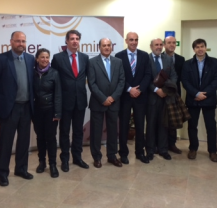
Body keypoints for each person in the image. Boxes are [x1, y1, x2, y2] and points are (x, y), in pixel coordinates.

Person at [0, 31, 35, 186]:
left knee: (24, 142)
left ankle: (21, 169)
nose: (21, 44)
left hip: (26, 108)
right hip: (9, 109)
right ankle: (3, 172)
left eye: (23, 41)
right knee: (6, 143)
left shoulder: (31, 59)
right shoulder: (1, 59)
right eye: (18, 41)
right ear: (11, 42)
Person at [51, 30, 89, 172]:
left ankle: (77, 157)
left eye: (77, 38)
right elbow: (53, 81)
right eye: (72, 38)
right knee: (65, 131)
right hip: (65, 102)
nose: (75, 41)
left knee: (78, 131)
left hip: (80, 101)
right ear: (66, 41)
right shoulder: (57, 58)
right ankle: (65, 159)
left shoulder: (85, 58)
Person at [181, 38, 217, 162]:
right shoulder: (187, 63)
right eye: (197, 47)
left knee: (211, 126)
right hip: (193, 99)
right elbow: (185, 81)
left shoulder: (215, 62)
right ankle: (193, 148)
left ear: (205, 47)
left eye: (202, 46)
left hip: (208, 99)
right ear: (194, 49)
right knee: (192, 126)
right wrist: (196, 93)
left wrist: (205, 93)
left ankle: (213, 151)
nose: (200, 49)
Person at [88, 38, 125, 168]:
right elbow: (91, 83)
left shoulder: (118, 62)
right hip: (98, 103)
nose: (107, 47)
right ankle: (97, 157)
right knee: (96, 132)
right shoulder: (92, 62)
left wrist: (113, 98)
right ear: (99, 47)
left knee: (113, 131)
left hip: (114, 103)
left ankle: (112, 156)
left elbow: (121, 82)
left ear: (111, 47)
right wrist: (103, 98)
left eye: (109, 45)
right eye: (104, 45)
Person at [115, 32, 151, 164]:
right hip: (125, 96)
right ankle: (123, 153)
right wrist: (130, 89)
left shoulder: (144, 55)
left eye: (136, 40)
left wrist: (139, 89)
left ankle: (140, 152)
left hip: (140, 97)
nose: (134, 42)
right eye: (131, 40)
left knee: (140, 126)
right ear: (126, 41)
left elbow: (148, 75)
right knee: (123, 126)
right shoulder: (119, 56)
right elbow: (119, 76)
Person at [146, 38, 177, 161]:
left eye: (160, 45)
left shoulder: (168, 59)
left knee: (164, 124)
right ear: (151, 46)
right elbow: (145, 78)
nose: (159, 47)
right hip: (151, 98)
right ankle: (150, 150)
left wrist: (166, 89)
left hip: (165, 98)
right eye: (156, 45)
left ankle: (163, 150)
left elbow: (174, 76)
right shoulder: (146, 59)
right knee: (151, 125)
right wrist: (156, 90)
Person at [33, 48, 62, 177]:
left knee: (51, 138)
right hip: (37, 112)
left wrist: (57, 113)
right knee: (40, 138)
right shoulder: (32, 73)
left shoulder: (54, 73)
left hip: (50, 111)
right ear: (37, 59)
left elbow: (58, 95)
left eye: (47, 57)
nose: (45, 60)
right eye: (42, 57)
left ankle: (53, 165)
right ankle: (42, 162)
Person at [163, 36, 185, 154]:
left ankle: (172, 144)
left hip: (175, 94)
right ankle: (161, 144)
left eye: (173, 43)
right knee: (162, 120)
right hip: (161, 94)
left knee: (173, 120)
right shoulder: (159, 57)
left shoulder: (181, 59)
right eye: (169, 42)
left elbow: (181, 78)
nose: (171, 45)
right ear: (164, 44)